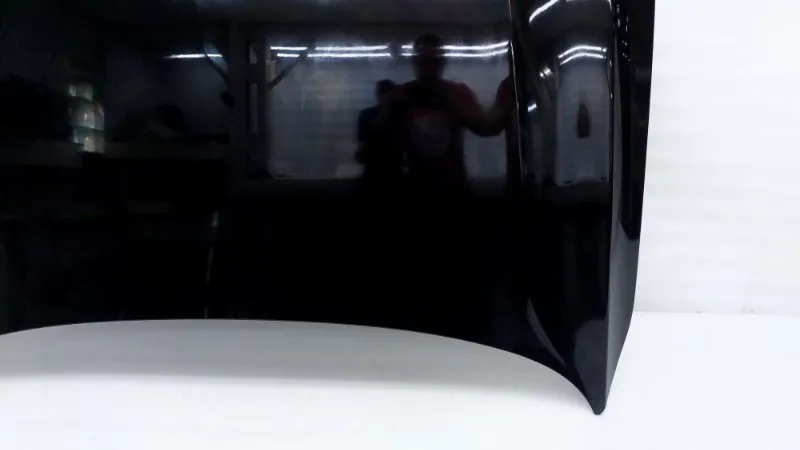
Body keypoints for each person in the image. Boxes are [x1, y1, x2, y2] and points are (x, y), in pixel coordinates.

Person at [376, 34, 514, 193]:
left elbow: (487, 127)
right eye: (423, 61)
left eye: (434, 61)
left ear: (442, 62)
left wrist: (508, 94)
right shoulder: (400, 96)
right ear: (415, 62)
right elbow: (377, 144)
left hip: (453, 188)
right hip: (418, 188)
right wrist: (388, 112)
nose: (429, 68)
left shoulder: (456, 94)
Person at [355, 79, 404, 185]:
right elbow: (361, 155)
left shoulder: (401, 116)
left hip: (392, 175)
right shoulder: (367, 115)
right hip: (376, 174)